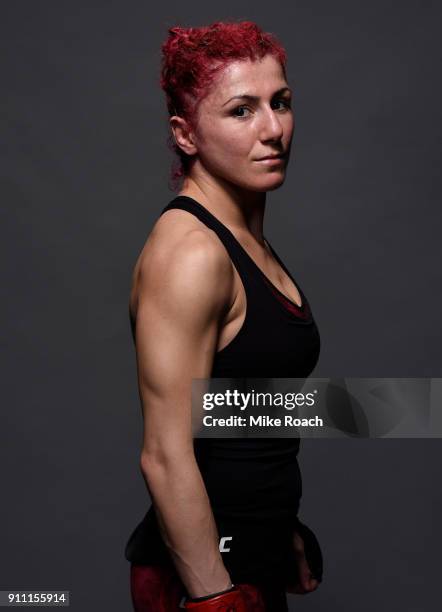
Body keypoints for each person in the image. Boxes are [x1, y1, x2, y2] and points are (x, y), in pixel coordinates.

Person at [125, 21, 323, 611]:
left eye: (280, 102)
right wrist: (216, 597)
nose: (273, 130)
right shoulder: (192, 253)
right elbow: (164, 453)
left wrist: (273, 524)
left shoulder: (244, 238)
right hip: (202, 582)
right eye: (242, 111)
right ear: (186, 135)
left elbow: (237, 405)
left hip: (247, 554)